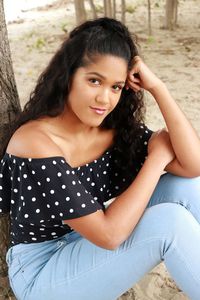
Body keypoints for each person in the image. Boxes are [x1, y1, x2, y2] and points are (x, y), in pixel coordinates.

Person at [0, 17, 200, 300]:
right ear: (68, 75)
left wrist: (159, 89)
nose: (104, 99)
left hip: (86, 242)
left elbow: (193, 165)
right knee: (170, 222)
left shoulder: (110, 128)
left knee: (189, 187)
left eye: (116, 87)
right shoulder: (34, 142)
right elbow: (109, 236)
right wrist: (156, 161)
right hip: (42, 272)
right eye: (94, 81)